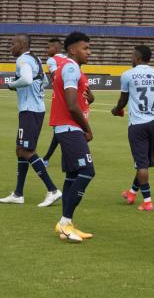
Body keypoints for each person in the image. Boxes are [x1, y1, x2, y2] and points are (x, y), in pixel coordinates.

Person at [0, 34, 62, 207]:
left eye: (12, 44)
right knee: (20, 149)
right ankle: (18, 194)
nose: (10, 47)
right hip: (35, 109)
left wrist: (12, 85)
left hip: (30, 110)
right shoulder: (35, 58)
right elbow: (44, 81)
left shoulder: (22, 60)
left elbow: (26, 79)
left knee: (27, 151)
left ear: (21, 44)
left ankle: (53, 190)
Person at [50, 32, 96, 242]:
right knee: (87, 171)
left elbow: (78, 97)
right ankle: (65, 222)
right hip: (70, 128)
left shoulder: (73, 69)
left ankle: (66, 224)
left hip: (67, 128)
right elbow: (71, 105)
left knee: (72, 175)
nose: (89, 52)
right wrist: (87, 128)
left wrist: (89, 98)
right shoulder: (70, 67)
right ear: (72, 50)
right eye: (85, 48)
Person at [112, 45, 154, 211]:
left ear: (138, 58)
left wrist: (116, 110)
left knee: (141, 164)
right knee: (144, 162)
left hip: (138, 124)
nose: (131, 58)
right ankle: (132, 192)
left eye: (133, 56)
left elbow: (123, 100)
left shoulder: (128, 75)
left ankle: (147, 201)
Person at [42, 38, 68, 167]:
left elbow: (59, 77)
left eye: (49, 48)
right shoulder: (68, 59)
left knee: (58, 129)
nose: (47, 50)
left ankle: (46, 158)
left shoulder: (52, 60)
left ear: (56, 48)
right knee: (65, 127)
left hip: (60, 98)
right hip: (71, 96)